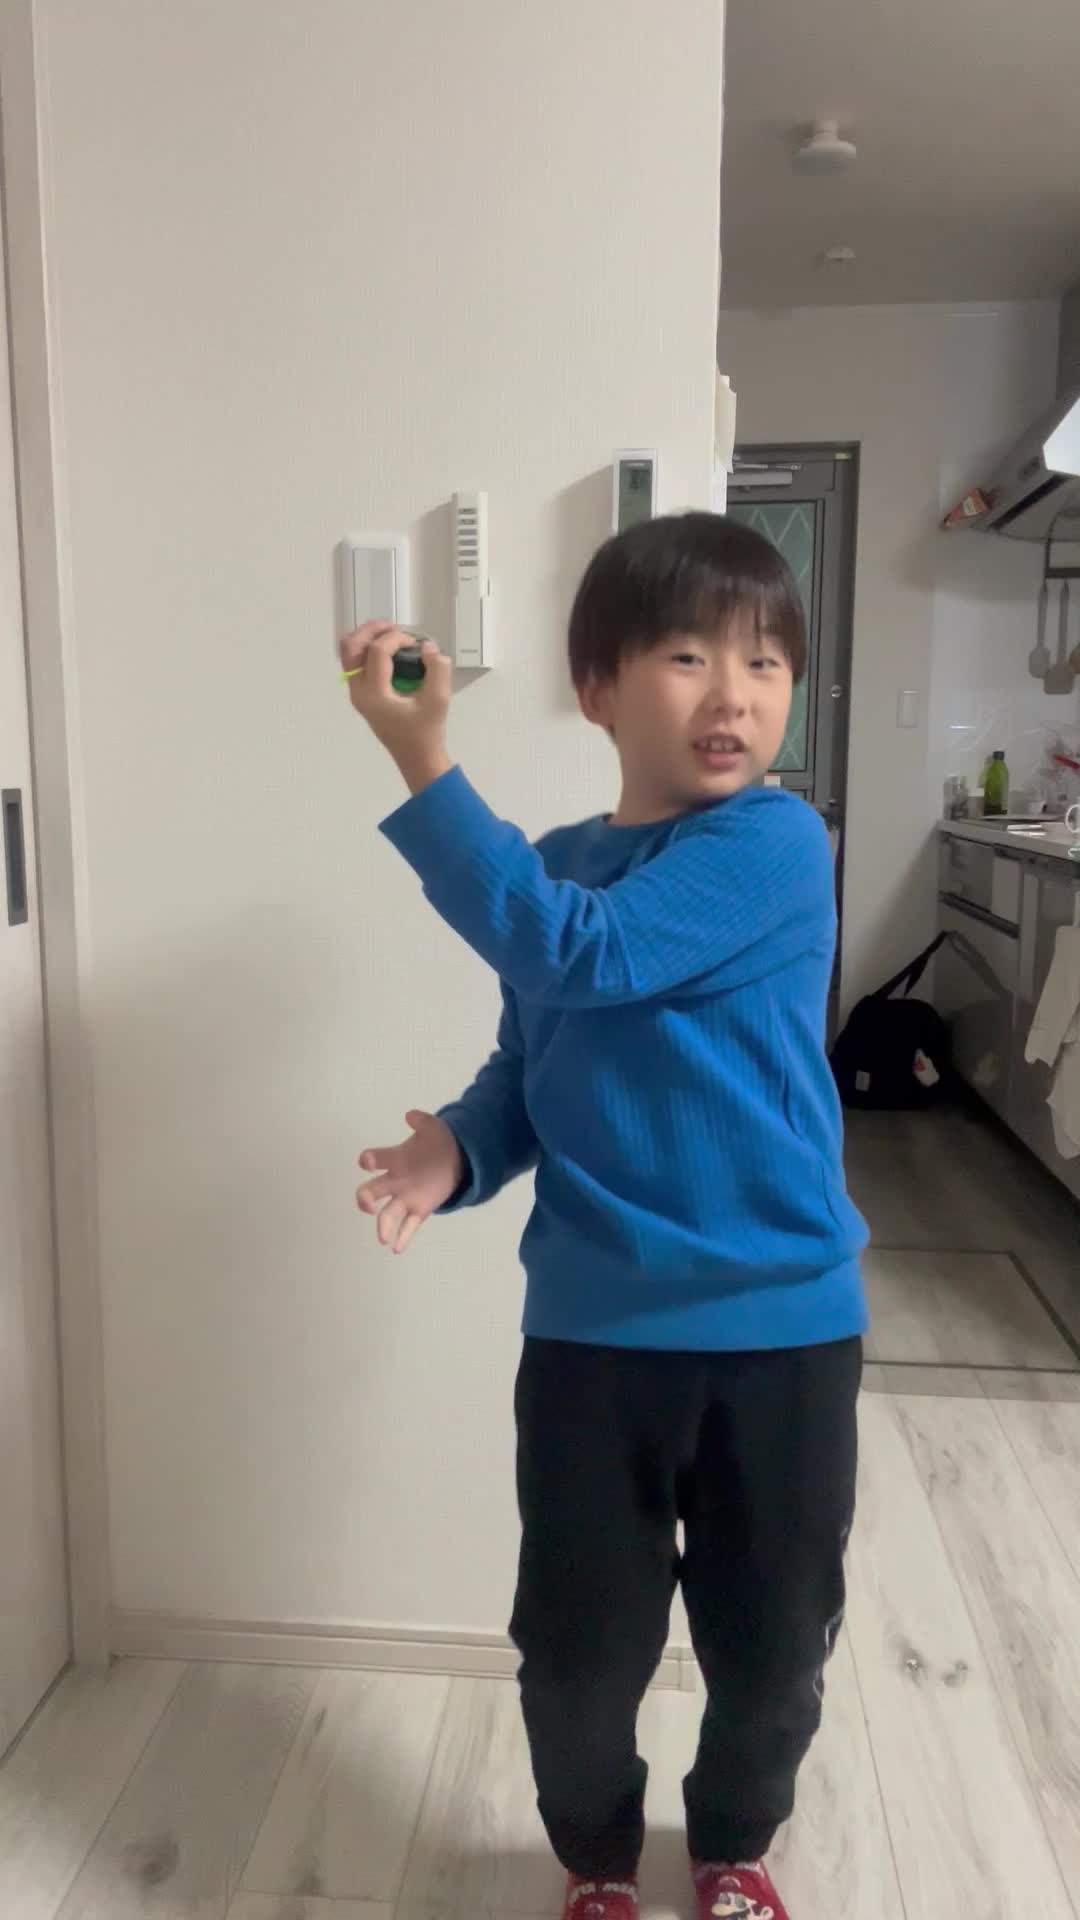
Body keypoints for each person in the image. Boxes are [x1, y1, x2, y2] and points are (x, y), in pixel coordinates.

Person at [342, 512, 868, 1920]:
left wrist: (422, 759)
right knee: (575, 1657)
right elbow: (539, 1053)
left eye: (766, 662)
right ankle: (595, 1862)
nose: (733, 693)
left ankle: (733, 1844)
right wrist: (459, 1149)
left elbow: (587, 954)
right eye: (688, 655)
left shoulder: (776, 842)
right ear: (597, 689)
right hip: (592, 1337)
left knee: (772, 1652)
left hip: (781, 1337)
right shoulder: (558, 863)